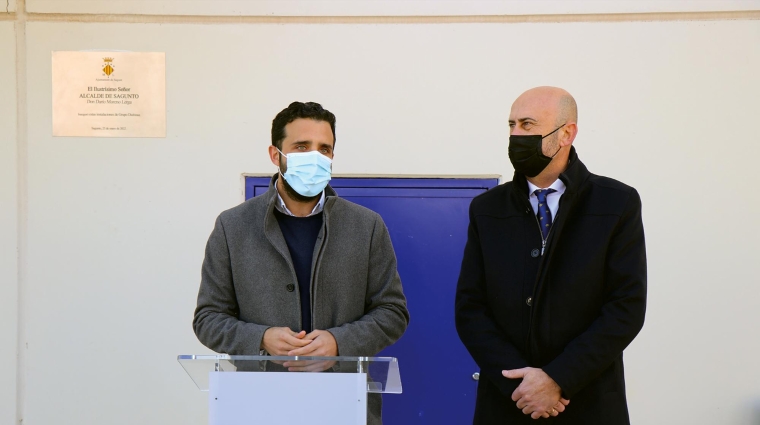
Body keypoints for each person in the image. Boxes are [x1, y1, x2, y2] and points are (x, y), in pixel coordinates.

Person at [193, 101, 409, 425]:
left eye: (325, 149)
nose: (315, 157)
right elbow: (208, 318)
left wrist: (339, 342)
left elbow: (392, 312)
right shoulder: (232, 227)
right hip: (257, 402)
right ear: (275, 154)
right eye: (301, 146)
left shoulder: (366, 226)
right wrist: (262, 338)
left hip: (343, 402)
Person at [455, 87, 646, 424]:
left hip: (588, 404)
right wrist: (522, 386)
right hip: (508, 403)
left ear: (566, 134)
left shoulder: (616, 203)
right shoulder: (487, 209)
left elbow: (625, 309)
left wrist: (558, 379)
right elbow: (471, 309)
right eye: (511, 124)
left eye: (528, 125)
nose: (515, 135)